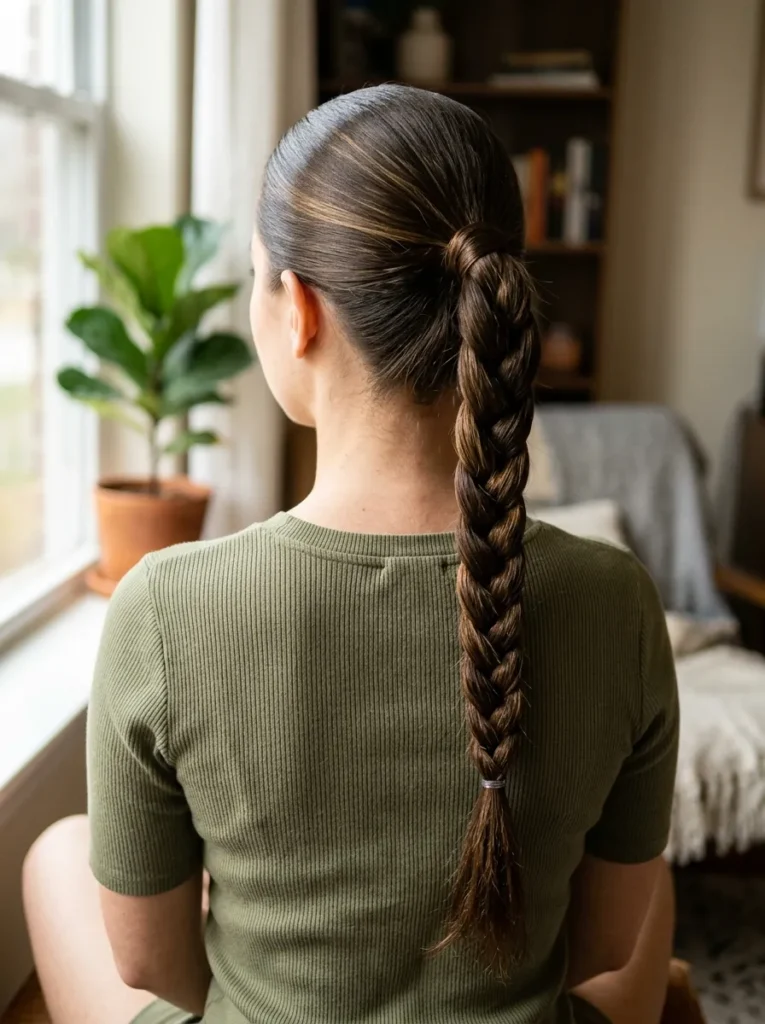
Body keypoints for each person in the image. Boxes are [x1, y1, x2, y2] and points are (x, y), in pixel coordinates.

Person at [23, 85, 678, 1024]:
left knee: (55, 856)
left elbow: (158, 971)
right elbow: (605, 948)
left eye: (257, 276)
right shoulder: (616, 597)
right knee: (647, 870)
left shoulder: (165, 606)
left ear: (297, 310)